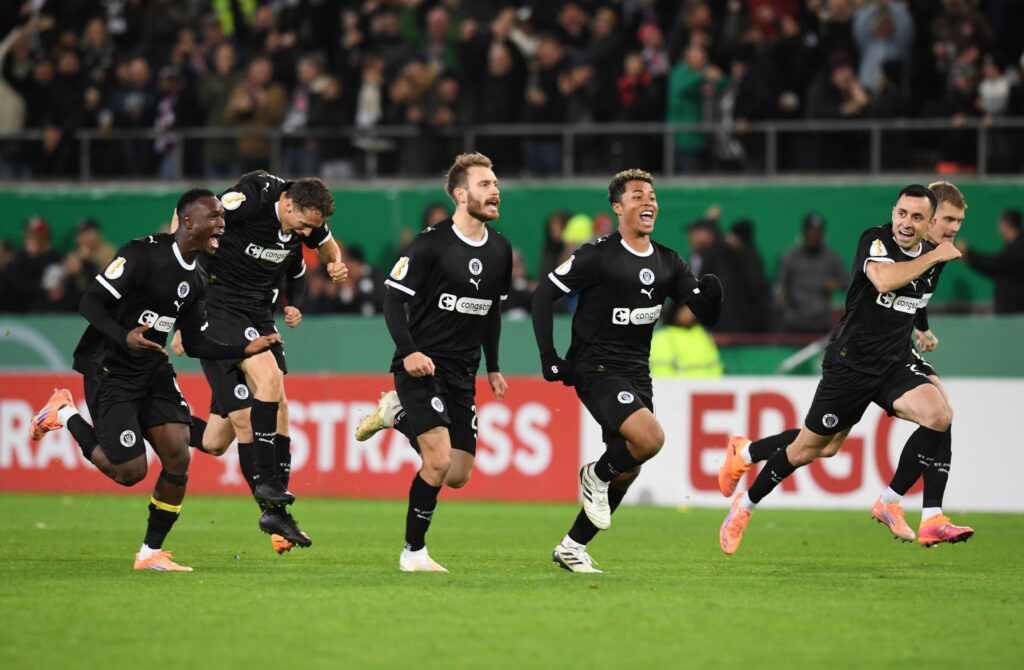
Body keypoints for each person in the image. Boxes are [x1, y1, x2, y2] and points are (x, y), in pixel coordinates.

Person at [28, 189, 281, 571]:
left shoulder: (197, 279)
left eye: (222, 218)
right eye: (214, 218)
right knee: (129, 472)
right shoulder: (141, 253)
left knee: (178, 454)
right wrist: (123, 336)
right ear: (188, 221)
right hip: (110, 367)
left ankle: (150, 553)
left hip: (153, 370)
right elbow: (89, 302)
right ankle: (63, 412)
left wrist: (242, 349)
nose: (222, 225)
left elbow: (194, 341)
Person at [721, 182, 975, 548]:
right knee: (813, 448)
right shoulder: (877, 240)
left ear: (926, 222)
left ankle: (900, 505)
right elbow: (885, 281)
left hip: (894, 362)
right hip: (851, 365)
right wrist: (934, 257)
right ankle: (744, 502)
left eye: (917, 217)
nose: (907, 222)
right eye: (902, 213)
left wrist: (922, 327)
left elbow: (916, 296)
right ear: (894, 213)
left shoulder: (934, 255)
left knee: (939, 415)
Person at [531, 169, 722, 573]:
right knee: (650, 438)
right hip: (595, 366)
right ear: (618, 208)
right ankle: (593, 475)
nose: (648, 202)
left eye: (651, 196)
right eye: (637, 196)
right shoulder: (597, 255)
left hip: (636, 372)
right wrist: (548, 355)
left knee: (629, 467)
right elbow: (543, 294)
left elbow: (703, 313)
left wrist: (713, 298)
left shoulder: (668, 261)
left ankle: (572, 546)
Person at [353, 152, 512, 573]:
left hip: (463, 372)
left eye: (495, 183)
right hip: (421, 367)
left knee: (457, 473)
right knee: (437, 460)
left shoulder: (501, 249)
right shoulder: (430, 244)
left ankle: (395, 415)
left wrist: (494, 366)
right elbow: (392, 300)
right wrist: (409, 352)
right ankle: (413, 552)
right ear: (460, 194)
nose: (495, 191)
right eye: (484, 184)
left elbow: (491, 312)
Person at [174, 170, 346, 553]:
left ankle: (152, 414)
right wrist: (182, 306)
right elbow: (192, 217)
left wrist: (335, 263)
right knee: (266, 387)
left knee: (217, 440)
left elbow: (326, 247)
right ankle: (271, 496)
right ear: (288, 203)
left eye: (312, 228)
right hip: (218, 306)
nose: (307, 233)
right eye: (303, 224)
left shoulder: (305, 224)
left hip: (258, 312)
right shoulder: (252, 196)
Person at [775, 214, 848, 333]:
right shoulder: (791, 256)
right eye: (810, 231)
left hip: (821, 322)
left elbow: (847, 283)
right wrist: (781, 298)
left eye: (817, 232)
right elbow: (779, 285)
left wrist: (836, 284)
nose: (813, 235)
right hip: (794, 322)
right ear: (804, 232)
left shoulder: (831, 258)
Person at [957, 208, 1024, 314]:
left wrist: (969, 254)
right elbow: (996, 268)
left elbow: (995, 265)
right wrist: (968, 256)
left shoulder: (1018, 248)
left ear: (1006, 224)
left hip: (1015, 313)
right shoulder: (1016, 246)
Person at [649, 302, 723, 378]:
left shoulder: (703, 335)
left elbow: (715, 367)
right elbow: (662, 374)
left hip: (707, 385)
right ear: (675, 310)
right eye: (685, 308)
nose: (689, 313)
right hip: (676, 385)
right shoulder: (663, 338)